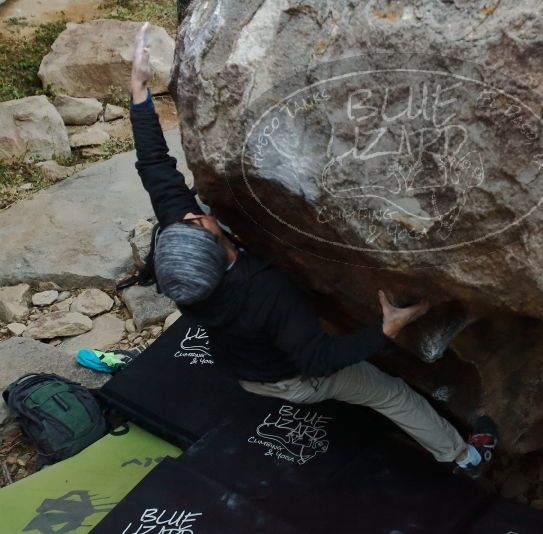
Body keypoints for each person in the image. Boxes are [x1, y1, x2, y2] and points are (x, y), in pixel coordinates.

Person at [128, 23, 496, 476]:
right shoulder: (266, 296)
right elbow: (317, 359)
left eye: (185, 221)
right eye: (198, 223)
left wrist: (140, 90)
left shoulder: (185, 264)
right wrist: (387, 329)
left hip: (245, 368)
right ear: (218, 250)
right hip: (293, 378)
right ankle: (465, 457)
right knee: (390, 394)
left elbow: (154, 168)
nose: (192, 214)